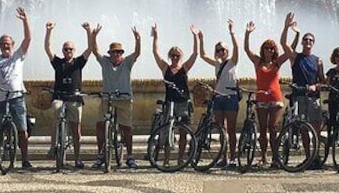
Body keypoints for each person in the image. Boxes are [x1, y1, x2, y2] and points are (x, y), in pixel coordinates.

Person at [244, 13, 295, 167]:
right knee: (263, 129)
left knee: (272, 128)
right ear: (263, 49)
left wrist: (289, 29)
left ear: (274, 50)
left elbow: (289, 52)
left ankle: (275, 158)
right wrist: (247, 33)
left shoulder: (277, 62)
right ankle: (264, 157)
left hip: (275, 99)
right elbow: (246, 49)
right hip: (261, 100)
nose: (269, 50)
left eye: (271, 48)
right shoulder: (258, 62)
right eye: (266, 48)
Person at [0, 7, 32, 169]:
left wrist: (26, 21)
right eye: (3, 44)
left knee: (22, 129)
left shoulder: (18, 56)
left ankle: (25, 159)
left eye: (8, 44)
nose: (5, 46)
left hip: (17, 97)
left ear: (13, 45)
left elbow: (28, 39)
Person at [44, 21, 94, 169]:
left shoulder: (79, 62)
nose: (68, 51)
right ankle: (54, 146)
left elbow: (91, 48)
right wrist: (49, 31)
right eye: (66, 49)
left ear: (74, 50)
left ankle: (78, 158)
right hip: (60, 97)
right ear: (63, 51)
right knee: (56, 111)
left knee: (76, 129)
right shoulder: (58, 62)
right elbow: (47, 48)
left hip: (75, 97)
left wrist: (88, 31)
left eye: (71, 49)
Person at [92, 24, 142, 169]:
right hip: (108, 98)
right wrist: (93, 36)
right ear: (110, 53)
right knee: (100, 124)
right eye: (113, 52)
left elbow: (137, 53)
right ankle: (101, 154)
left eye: (118, 52)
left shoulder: (127, 62)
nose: (115, 55)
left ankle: (130, 156)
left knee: (126, 127)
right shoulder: (105, 62)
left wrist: (138, 39)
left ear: (121, 53)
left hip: (124, 99)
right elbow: (95, 52)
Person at [151, 23, 198, 163]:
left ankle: (180, 159)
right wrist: (156, 36)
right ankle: (165, 159)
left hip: (183, 103)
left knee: (183, 132)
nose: (175, 58)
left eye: (177, 55)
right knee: (167, 131)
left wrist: (195, 37)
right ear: (169, 56)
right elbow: (155, 52)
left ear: (181, 56)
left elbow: (196, 54)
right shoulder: (165, 68)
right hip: (170, 102)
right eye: (172, 55)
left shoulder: (185, 68)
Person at [197, 20, 239, 168]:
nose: (221, 52)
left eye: (223, 49)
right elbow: (202, 55)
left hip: (231, 98)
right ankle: (224, 158)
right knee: (222, 130)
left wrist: (232, 32)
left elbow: (237, 47)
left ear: (227, 51)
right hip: (219, 98)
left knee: (232, 130)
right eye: (218, 50)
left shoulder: (232, 61)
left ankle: (233, 158)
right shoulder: (217, 64)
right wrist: (200, 39)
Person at [281, 19, 325, 139]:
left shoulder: (318, 60)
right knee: (303, 126)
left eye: (310, 40)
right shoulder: (295, 57)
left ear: (313, 43)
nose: (308, 42)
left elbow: (322, 80)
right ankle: (307, 155)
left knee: (316, 125)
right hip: (299, 95)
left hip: (313, 96)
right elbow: (283, 43)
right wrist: (286, 28)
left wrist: (316, 86)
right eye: (305, 40)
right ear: (302, 42)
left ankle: (315, 154)